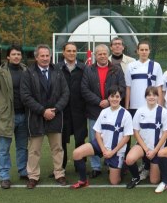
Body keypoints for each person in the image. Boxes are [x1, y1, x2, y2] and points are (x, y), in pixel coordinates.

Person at [20, 44, 69, 189]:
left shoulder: (58, 72)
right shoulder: (28, 73)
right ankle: (33, 176)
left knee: (57, 148)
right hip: (36, 117)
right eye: (42, 56)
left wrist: (55, 109)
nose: (45, 58)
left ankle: (59, 174)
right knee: (34, 149)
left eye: (47, 55)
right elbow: (26, 96)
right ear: (36, 57)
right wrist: (43, 111)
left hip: (55, 116)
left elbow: (65, 93)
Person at [70, 86, 133, 188]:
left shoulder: (126, 114)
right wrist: (103, 149)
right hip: (101, 145)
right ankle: (83, 180)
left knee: (114, 182)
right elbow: (97, 132)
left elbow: (126, 137)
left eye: (117, 96)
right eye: (112, 96)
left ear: (121, 98)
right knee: (77, 153)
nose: (114, 99)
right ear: (108, 98)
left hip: (116, 150)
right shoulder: (104, 112)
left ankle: (123, 165)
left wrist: (112, 152)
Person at [0, 44, 28, 189]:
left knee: (22, 147)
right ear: (8, 57)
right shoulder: (0, 73)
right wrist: (1, 108)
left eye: (19, 54)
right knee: (4, 148)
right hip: (7, 118)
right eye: (14, 54)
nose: (16, 56)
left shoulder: (25, 71)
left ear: (21, 56)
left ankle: (23, 171)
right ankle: (4, 176)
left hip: (23, 115)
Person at [81, 44, 126, 179]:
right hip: (94, 110)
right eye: (99, 54)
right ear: (95, 55)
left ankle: (110, 162)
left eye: (104, 53)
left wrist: (108, 100)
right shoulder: (89, 70)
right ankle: (96, 166)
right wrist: (98, 101)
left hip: (113, 110)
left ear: (108, 55)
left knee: (112, 138)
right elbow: (84, 89)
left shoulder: (116, 69)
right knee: (94, 138)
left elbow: (122, 87)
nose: (102, 56)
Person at [125, 87, 167, 189]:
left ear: (157, 97)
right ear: (145, 97)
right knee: (129, 159)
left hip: (157, 148)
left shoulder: (163, 111)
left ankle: (151, 166)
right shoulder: (140, 111)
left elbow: (166, 133)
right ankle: (136, 178)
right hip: (143, 146)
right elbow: (136, 132)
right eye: (149, 95)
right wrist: (146, 149)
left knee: (154, 181)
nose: (151, 97)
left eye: (154, 95)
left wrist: (155, 150)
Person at [56, 42, 87, 171]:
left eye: (74, 51)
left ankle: (80, 166)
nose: (71, 53)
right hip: (62, 111)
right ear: (63, 52)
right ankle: (60, 166)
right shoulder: (56, 68)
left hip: (79, 110)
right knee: (61, 141)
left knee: (80, 139)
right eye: (69, 51)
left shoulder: (83, 68)